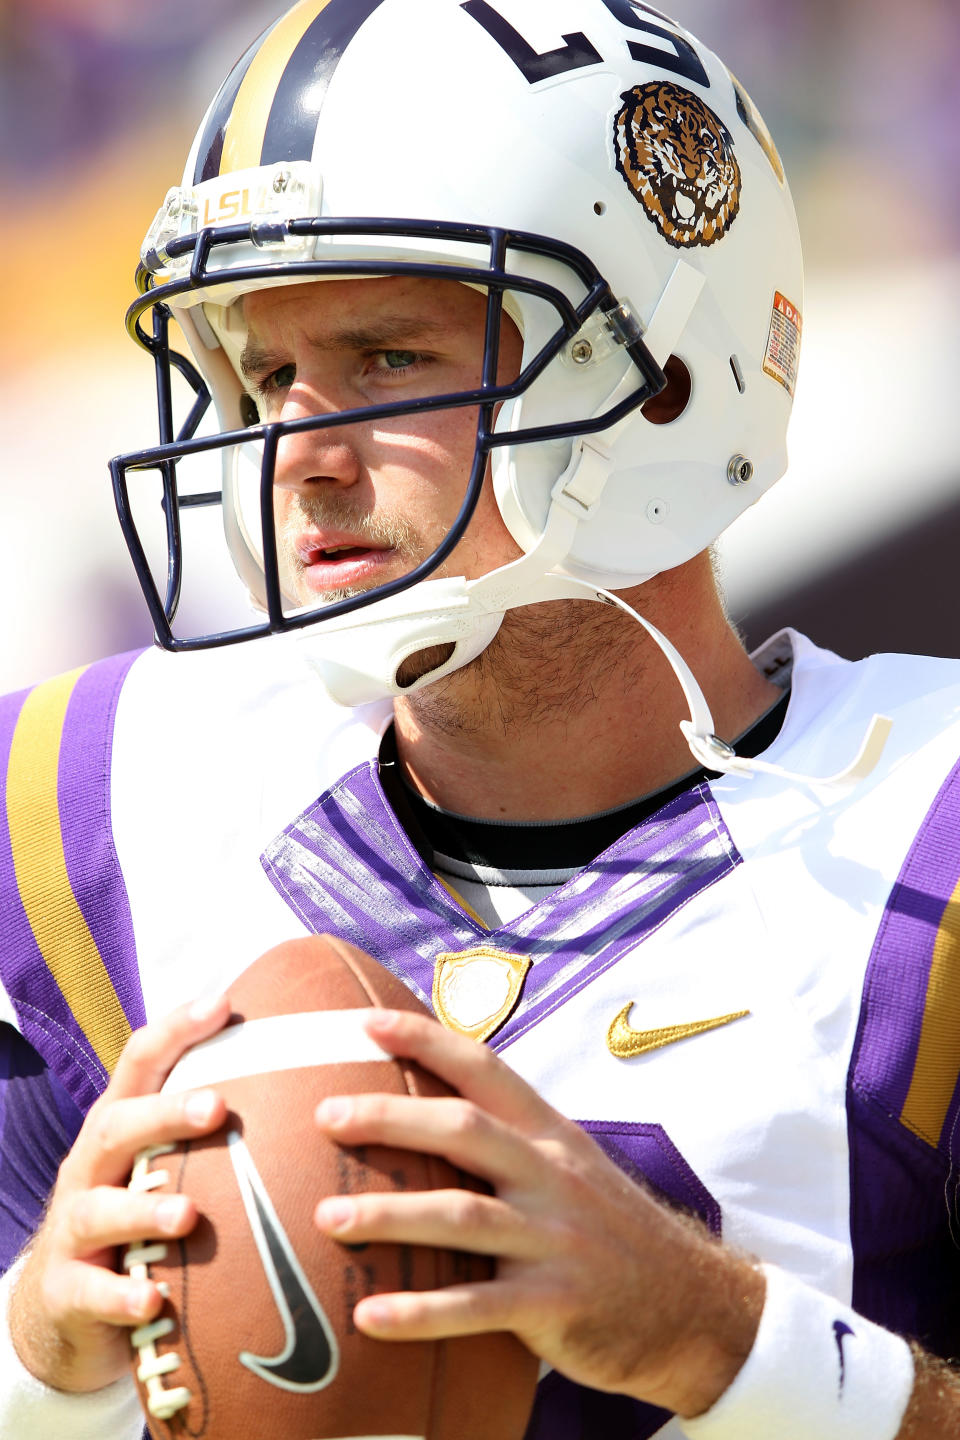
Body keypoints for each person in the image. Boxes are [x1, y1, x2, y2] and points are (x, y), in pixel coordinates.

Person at [1, 1, 959, 1436]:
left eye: (386, 357)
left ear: (664, 383)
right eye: (266, 375)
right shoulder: (87, 808)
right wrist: (36, 1366)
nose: (299, 455)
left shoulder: (924, 837)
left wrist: (717, 1341)